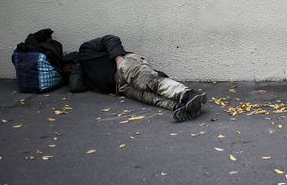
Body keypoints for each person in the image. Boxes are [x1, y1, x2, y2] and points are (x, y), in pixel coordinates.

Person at [63, 35, 206, 122]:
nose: (69, 71)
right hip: (120, 87)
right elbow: (75, 87)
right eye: (67, 72)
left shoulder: (86, 49)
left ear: (70, 59)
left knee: (150, 82)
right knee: (150, 98)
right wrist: (76, 68)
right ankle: (184, 108)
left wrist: (119, 59)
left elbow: (110, 38)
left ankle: (188, 94)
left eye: (68, 67)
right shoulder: (84, 76)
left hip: (125, 65)